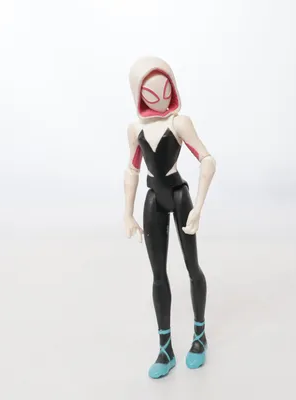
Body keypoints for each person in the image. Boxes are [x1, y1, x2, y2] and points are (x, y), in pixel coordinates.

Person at [123, 56, 216, 379]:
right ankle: (165, 349)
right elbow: (132, 170)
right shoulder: (136, 129)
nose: (161, 98)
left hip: (179, 195)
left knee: (192, 266)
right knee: (158, 275)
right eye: (151, 92)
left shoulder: (180, 123)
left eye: (165, 89)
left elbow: (207, 158)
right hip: (153, 200)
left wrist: (199, 206)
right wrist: (127, 213)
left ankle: (199, 337)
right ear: (138, 94)